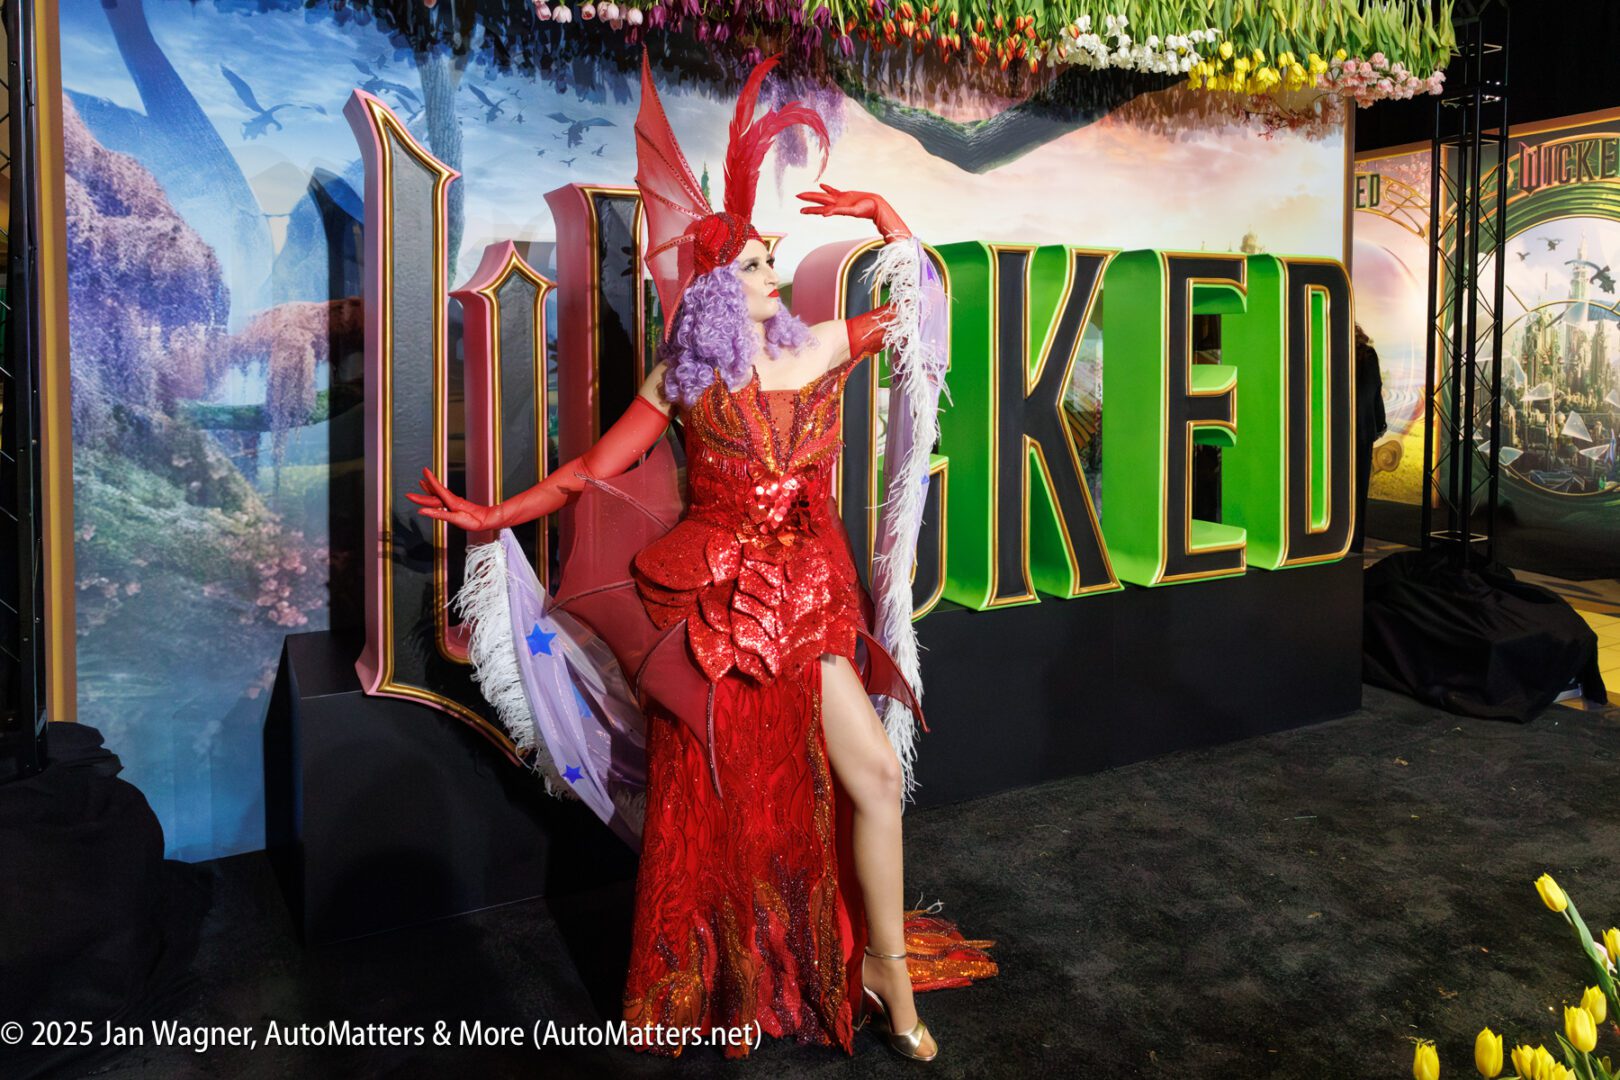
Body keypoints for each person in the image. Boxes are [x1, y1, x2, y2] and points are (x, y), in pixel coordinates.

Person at [411, 51, 994, 1061]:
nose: (776, 270)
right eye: (757, 263)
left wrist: (889, 219)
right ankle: (733, 972)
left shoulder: (822, 347)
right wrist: (494, 513)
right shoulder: (683, 379)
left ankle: (881, 962)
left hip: (811, 603)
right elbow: (594, 468)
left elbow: (927, 316)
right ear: (720, 286)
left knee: (869, 778)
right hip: (713, 611)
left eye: (772, 258)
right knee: (718, 808)